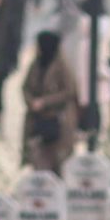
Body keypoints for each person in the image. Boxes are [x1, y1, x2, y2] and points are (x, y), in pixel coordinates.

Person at [21, 30, 80, 170]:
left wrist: (45, 102)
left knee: (58, 162)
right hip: (37, 121)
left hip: (58, 122)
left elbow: (69, 91)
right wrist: (31, 102)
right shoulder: (36, 65)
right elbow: (25, 87)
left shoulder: (62, 66)